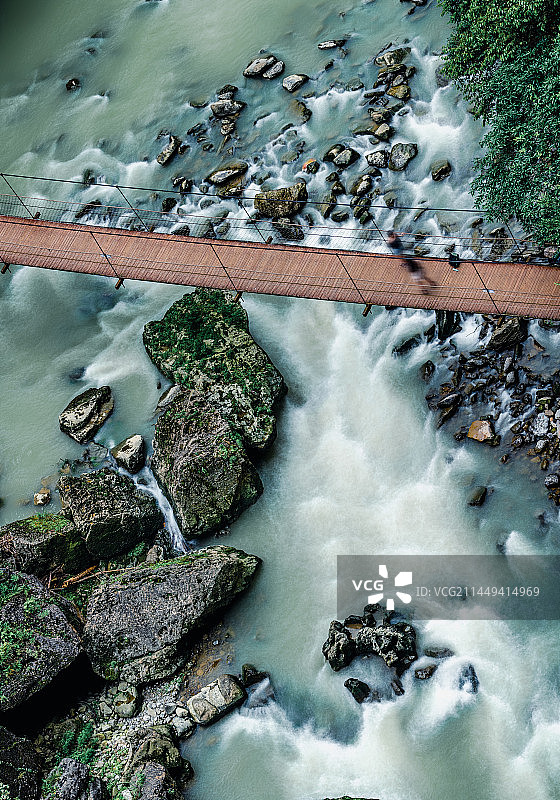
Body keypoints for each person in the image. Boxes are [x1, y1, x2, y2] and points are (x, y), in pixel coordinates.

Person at [387, 230, 435, 295]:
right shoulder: (412, 261)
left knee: (419, 281)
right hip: (416, 269)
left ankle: (425, 289)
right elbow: (392, 245)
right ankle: (431, 283)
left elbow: (410, 270)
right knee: (423, 277)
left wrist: (399, 236)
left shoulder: (409, 265)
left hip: (414, 271)